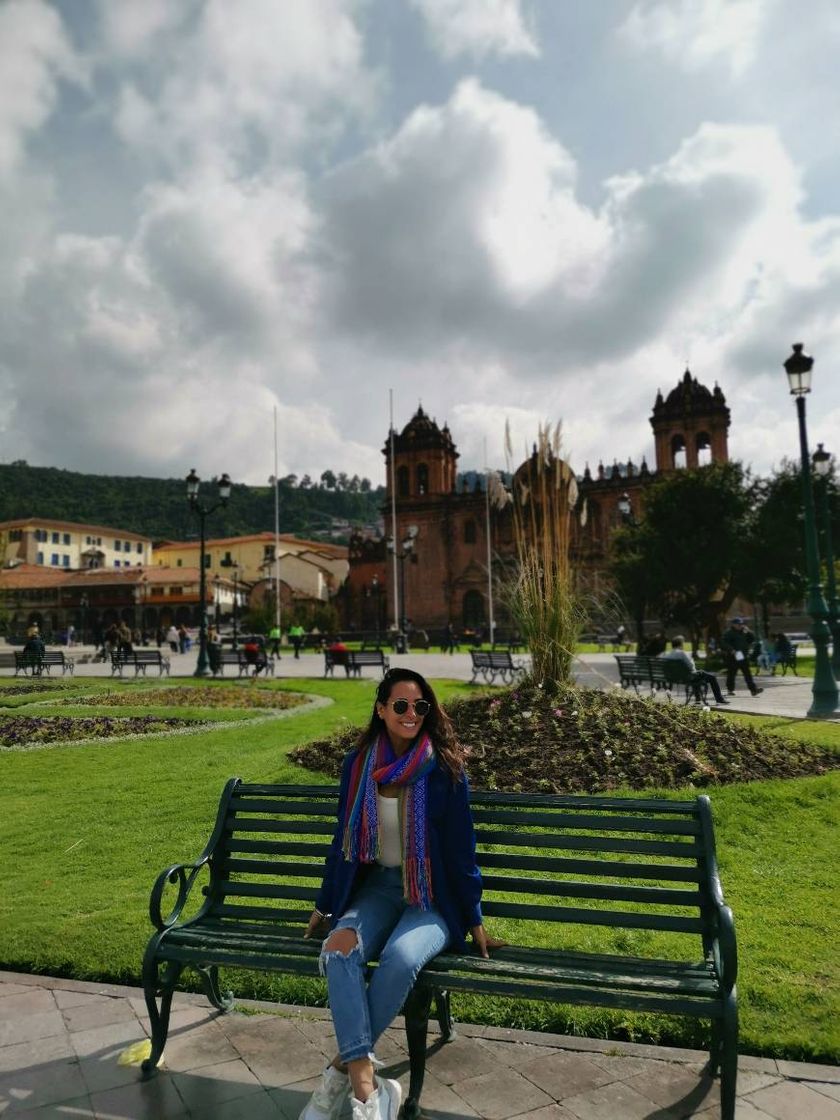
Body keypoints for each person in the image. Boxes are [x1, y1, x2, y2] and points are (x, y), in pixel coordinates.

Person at [300, 668, 499, 1120]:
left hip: (431, 898)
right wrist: (326, 905)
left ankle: (342, 1075)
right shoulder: (359, 765)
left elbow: (462, 848)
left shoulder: (443, 768)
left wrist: (473, 916)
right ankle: (370, 1092)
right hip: (380, 890)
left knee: (403, 958)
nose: (412, 715)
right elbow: (341, 842)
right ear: (381, 709)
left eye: (420, 707)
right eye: (402, 706)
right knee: (338, 950)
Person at [661, 636, 729, 705]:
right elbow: (690, 666)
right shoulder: (681, 653)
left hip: (676, 677)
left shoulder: (667, 655)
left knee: (696, 676)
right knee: (712, 677)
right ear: (681, 644)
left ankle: (698, 699)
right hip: (687, 677)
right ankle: (719, 699)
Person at [720, 617, 763, 697]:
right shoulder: (729, 633)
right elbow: (723, 643)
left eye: (741, 624)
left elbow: (752, 639)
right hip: (733, 656)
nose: (740, 625)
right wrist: (731, 650)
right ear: (733, 624)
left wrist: (749, 632)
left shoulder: (744, 632)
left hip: (743, 656)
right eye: (738, 624)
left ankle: (753, 690)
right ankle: (730, 690)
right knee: (732, 674)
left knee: (747, 674)